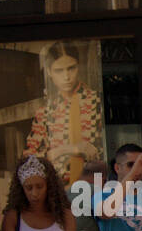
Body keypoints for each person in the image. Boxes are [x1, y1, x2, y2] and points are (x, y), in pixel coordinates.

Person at [24, 41, 103, 183]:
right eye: (59, 71)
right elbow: (28, 161)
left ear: (78, 67)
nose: (66, 77)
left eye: (71, 68)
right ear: (49, 72)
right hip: (58, 190)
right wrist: (66, 149)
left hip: (95, 187)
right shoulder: (45, 112)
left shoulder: (96, 102)